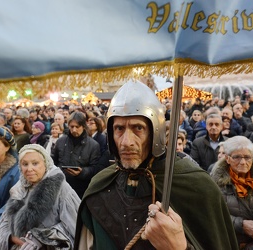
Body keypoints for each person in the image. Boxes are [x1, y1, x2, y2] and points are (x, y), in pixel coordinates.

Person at [74, 81, 238, 249]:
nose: (126, 142)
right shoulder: (100, 186)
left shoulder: (198, 187)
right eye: (119, 128)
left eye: (138, 128)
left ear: (155, 132)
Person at [0, 144, 80, 249]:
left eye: (35, 163)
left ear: (45, 164)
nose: (29, 169)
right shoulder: (18, 190)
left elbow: (75, 227)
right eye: (25, 164)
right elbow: (4, 224)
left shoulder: (62, 190)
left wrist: (40, 238)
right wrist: (12, 238)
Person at [52, 112, 100, 198]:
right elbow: (54, 162)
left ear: (83, 126)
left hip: (81, 188)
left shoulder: (93, 145)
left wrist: (82, 172)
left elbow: (95, 168)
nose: (74, 130)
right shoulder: (61, 141)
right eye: (72, 126)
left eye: (77, 127)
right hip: (61, 185)